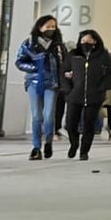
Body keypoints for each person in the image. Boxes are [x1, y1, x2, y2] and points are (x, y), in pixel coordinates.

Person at [15, 15, 66, 160]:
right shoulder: (29, 44)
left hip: (52, 83)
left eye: (53, 27)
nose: (51, 29)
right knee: (36, 115)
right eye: (48, 26)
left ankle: (48, 141)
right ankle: (36, 147)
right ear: (40, 27)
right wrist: (34, 68)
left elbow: (65, 64)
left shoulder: (59, 46)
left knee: (49, 114)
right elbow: (19, 61)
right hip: (34, 82)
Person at [64, 30, 111, 161]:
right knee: (70, 123)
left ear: (95, 41)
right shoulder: (73, 55)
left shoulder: (103, 55)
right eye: (83, 41)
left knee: (89, 124)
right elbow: (63, 71)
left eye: (89, 41)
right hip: (75, 94)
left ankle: (84, 151)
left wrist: (102, 87)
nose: (85, 43)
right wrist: (67, 88)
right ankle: (74, 143)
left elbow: (110, 73)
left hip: (95, 96)